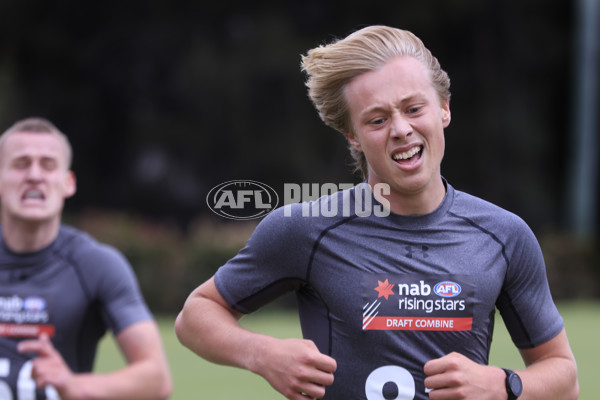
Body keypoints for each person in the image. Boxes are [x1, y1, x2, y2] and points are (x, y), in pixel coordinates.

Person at [175, 25, 579, 400]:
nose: (401, 129)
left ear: (444, 109)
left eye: (413, 108)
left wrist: (505, 385)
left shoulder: (505, 236)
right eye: (378, 119)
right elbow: (196, 316)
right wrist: (262, 354)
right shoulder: (304, 230)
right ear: (352, 135)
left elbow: (564, 375)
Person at [0, 117, 172, 400]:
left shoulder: (96, 265)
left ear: (68, 183)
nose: (34, 175)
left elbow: (156, 379)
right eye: (20, 164)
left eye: (48, 164)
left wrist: (74, 385)